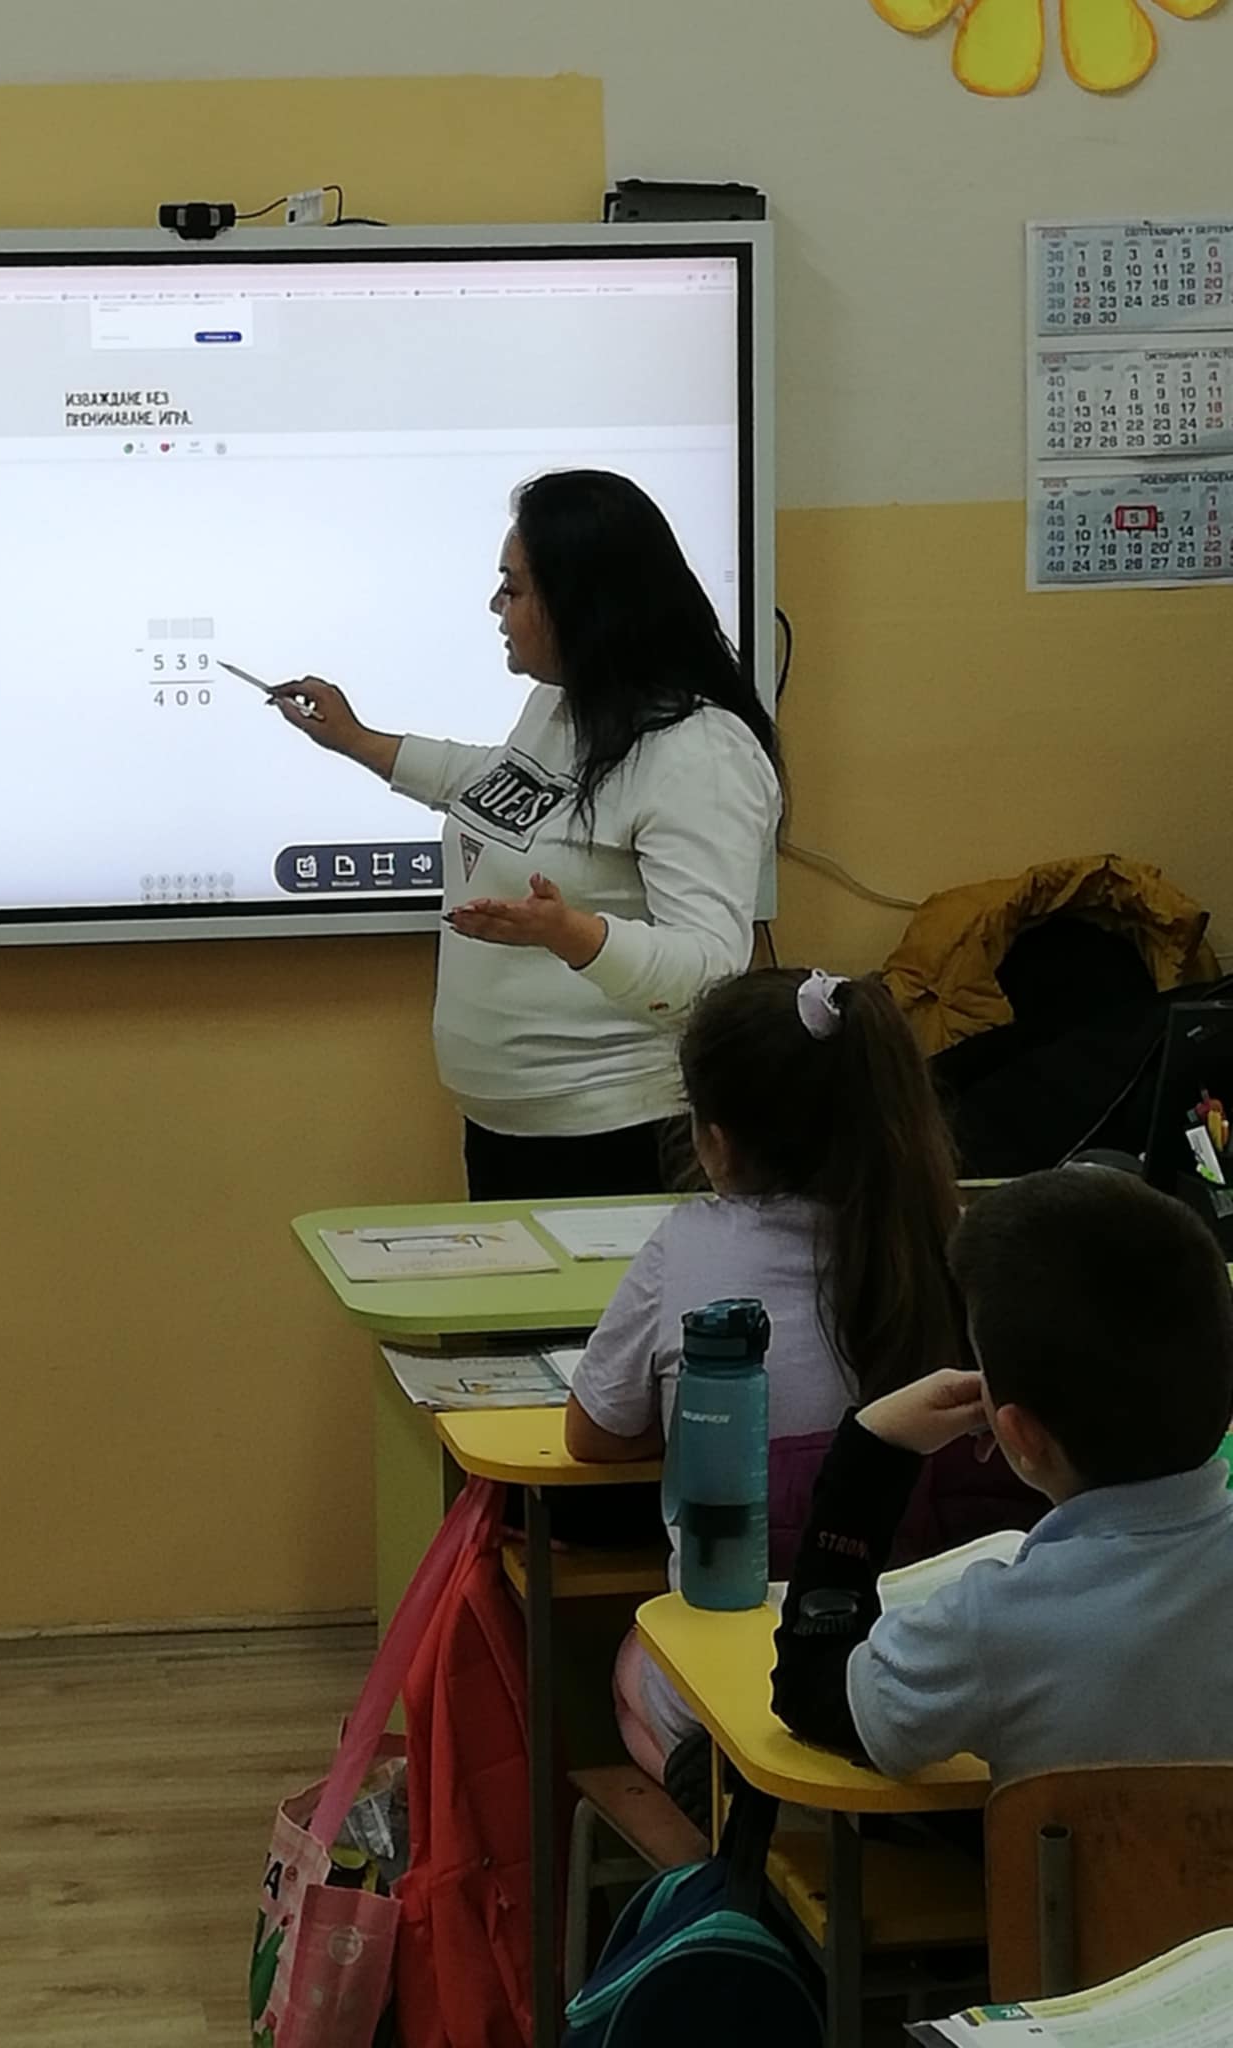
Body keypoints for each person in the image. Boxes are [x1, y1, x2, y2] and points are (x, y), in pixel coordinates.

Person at [268, 470, 781, 1201]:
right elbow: (502, 784)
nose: (496, 607)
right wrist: (356, 739)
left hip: (619, 1134)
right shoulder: (565, 706)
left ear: (580, 603)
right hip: (510, 1126)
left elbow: (710, 970)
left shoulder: (700, 755)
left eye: (512, 589)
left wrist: (575, 935)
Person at [562, 965, 965, 1781]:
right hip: (930, 1661)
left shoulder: (688, 1247)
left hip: (756, 1652)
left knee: (633, 1663)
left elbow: (591, 1434)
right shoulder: (950, 1242)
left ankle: (729, 1832)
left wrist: (696, 1426)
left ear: (714, 1137)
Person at [772, 1168, 1233, 1784]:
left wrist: (873, 1450)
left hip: (1057, 1856)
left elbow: (811, 1688)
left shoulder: (991, 1627)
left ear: (1020, 1434)